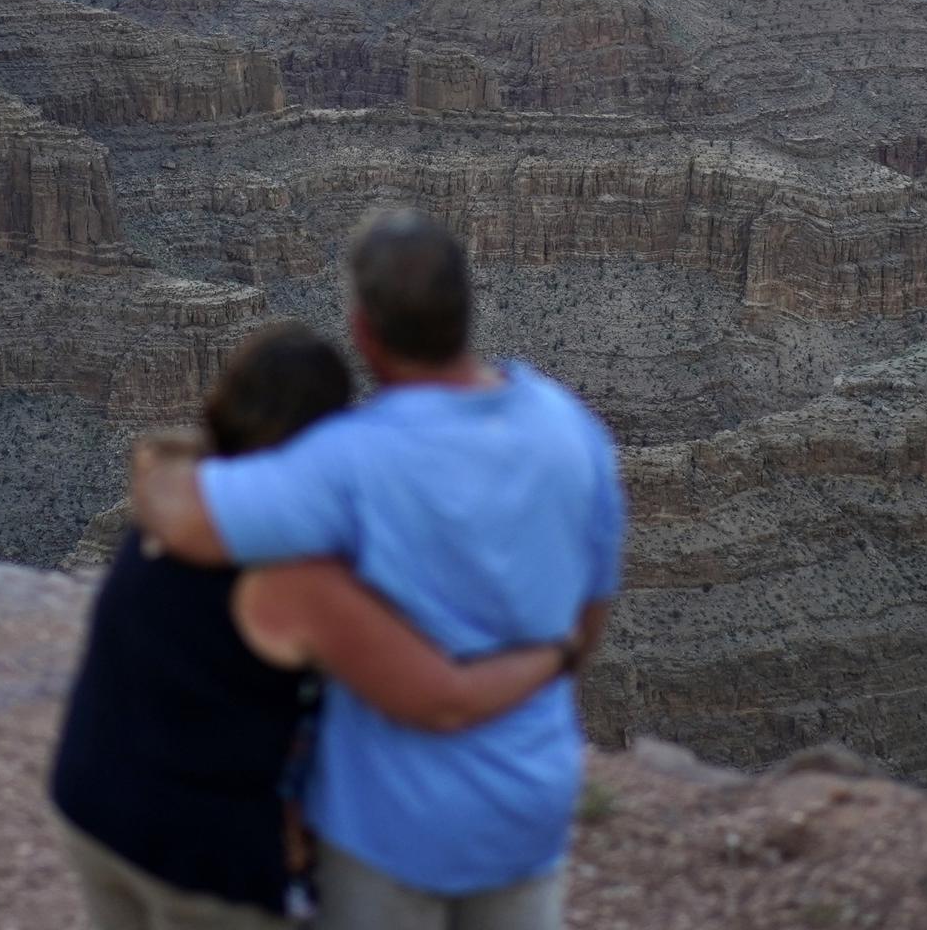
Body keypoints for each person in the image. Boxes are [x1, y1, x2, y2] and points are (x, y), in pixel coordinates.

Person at [131, 212, 625, 930]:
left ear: (364, 331)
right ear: (467, 309)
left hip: (389, 829)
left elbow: (177, 519)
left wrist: (162, 455)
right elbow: (590, 617)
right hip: (529, 806)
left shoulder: (346, 462)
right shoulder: (572, 429)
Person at [52, 320, 575, 930]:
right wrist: (555, 653)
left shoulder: (177, 497)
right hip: (197, 859)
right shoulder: (289, 574)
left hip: (91, 808)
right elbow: (444, 699)